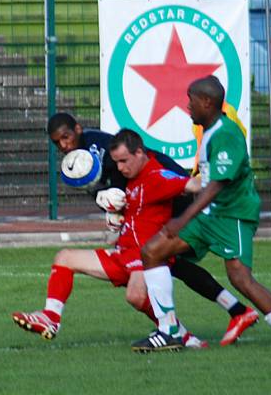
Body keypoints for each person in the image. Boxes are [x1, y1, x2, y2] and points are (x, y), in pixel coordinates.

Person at [15, 114, 257, 347]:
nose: (64, 145)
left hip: (176, 212)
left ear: (78, 129)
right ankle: (51, 317)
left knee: (160, 269)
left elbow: (187, 184)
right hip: (130, 245)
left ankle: (182, 330)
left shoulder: (140, 170)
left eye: (66, 137)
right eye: (57, 142)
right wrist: (115, 215)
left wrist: (221, 178)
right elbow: (119, 196)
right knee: (169, 266)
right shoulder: (86, 164)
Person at [132, 75, 271, 352]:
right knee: (153, 251)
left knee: (240, 278)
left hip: (233, 217)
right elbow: (208, 179)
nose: (187, 106)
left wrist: (183, 218)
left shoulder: (227, 133)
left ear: (206, 102)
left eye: (191, 101)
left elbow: (218, 184)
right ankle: (169, 330)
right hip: (209, 216)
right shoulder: (210, 131)